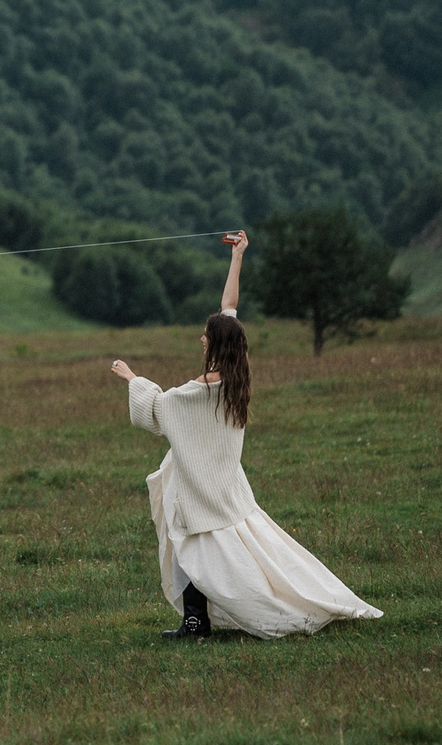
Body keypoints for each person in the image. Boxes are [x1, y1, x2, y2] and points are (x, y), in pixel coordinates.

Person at [109, 230, 381, 640]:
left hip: (201, 487)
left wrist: (130, 376)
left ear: (215, 344)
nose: (201, 338)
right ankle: (197, 620)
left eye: (206, 335)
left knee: (189, 546)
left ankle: (200, 622)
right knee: (210, 547)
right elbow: (229, 307)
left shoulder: (198, 392)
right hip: (223, 483)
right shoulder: (236, 375)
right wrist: (238, 257)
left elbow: (157, 410)